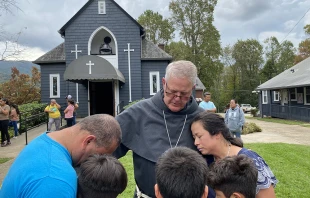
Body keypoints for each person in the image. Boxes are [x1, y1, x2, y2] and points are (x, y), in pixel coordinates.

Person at [113, 60, 214, 198]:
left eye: (184, 94)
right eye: (172, 92)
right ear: (163, 83)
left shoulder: (204, 120)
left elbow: (222, 160)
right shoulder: (138, 114)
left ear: (193, 88)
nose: (177, 98)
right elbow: (104, 151)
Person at [0, 114, 121, 197]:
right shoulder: (56, 180)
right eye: (100, 154)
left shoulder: (45, 140)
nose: (97, 161)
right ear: (88, 141)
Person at [191, 112, 278, 198]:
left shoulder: (249, 159)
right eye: (194, 138)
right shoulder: (206, 161)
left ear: (217, 133)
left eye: (199, 136)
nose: (196, 143)